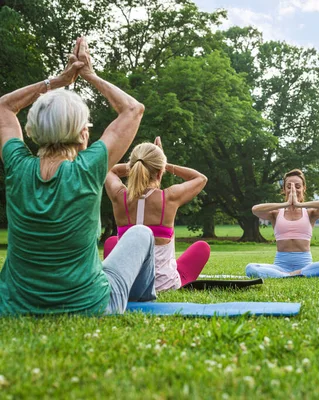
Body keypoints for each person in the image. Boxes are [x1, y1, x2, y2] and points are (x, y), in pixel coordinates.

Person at [0, 37, 155, 315]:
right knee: (141, 233)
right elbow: (133, 109)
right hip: (90, 305)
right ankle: (142, 300)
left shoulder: (16, 165)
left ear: (34, 129)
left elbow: (3, 107)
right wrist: (89, 74)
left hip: (14, 306)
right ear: (82, 132)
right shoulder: (89, 167)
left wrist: (58, 81)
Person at [104, 137, 210, 291]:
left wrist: (137, 164)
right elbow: (200, 178)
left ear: (132, 169)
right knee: (202, 248)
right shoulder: (169, 197)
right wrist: (164, 164)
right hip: (164, 285)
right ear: (160, 172)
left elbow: (109, 169)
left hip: (127, 285)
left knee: (113, 242)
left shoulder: (119, 195)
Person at [245, 169, 319, 278]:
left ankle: (288, 275)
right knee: (250, 268)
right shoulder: (275, 214)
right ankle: (290, 275)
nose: (293, 190)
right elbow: (255, 209)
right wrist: (285, 204)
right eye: (289, 187)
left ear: (304, 188)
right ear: (284, 189)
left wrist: (298, 204)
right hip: (280, 266)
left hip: (305, 265)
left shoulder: (310, 213)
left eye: (298, 186)